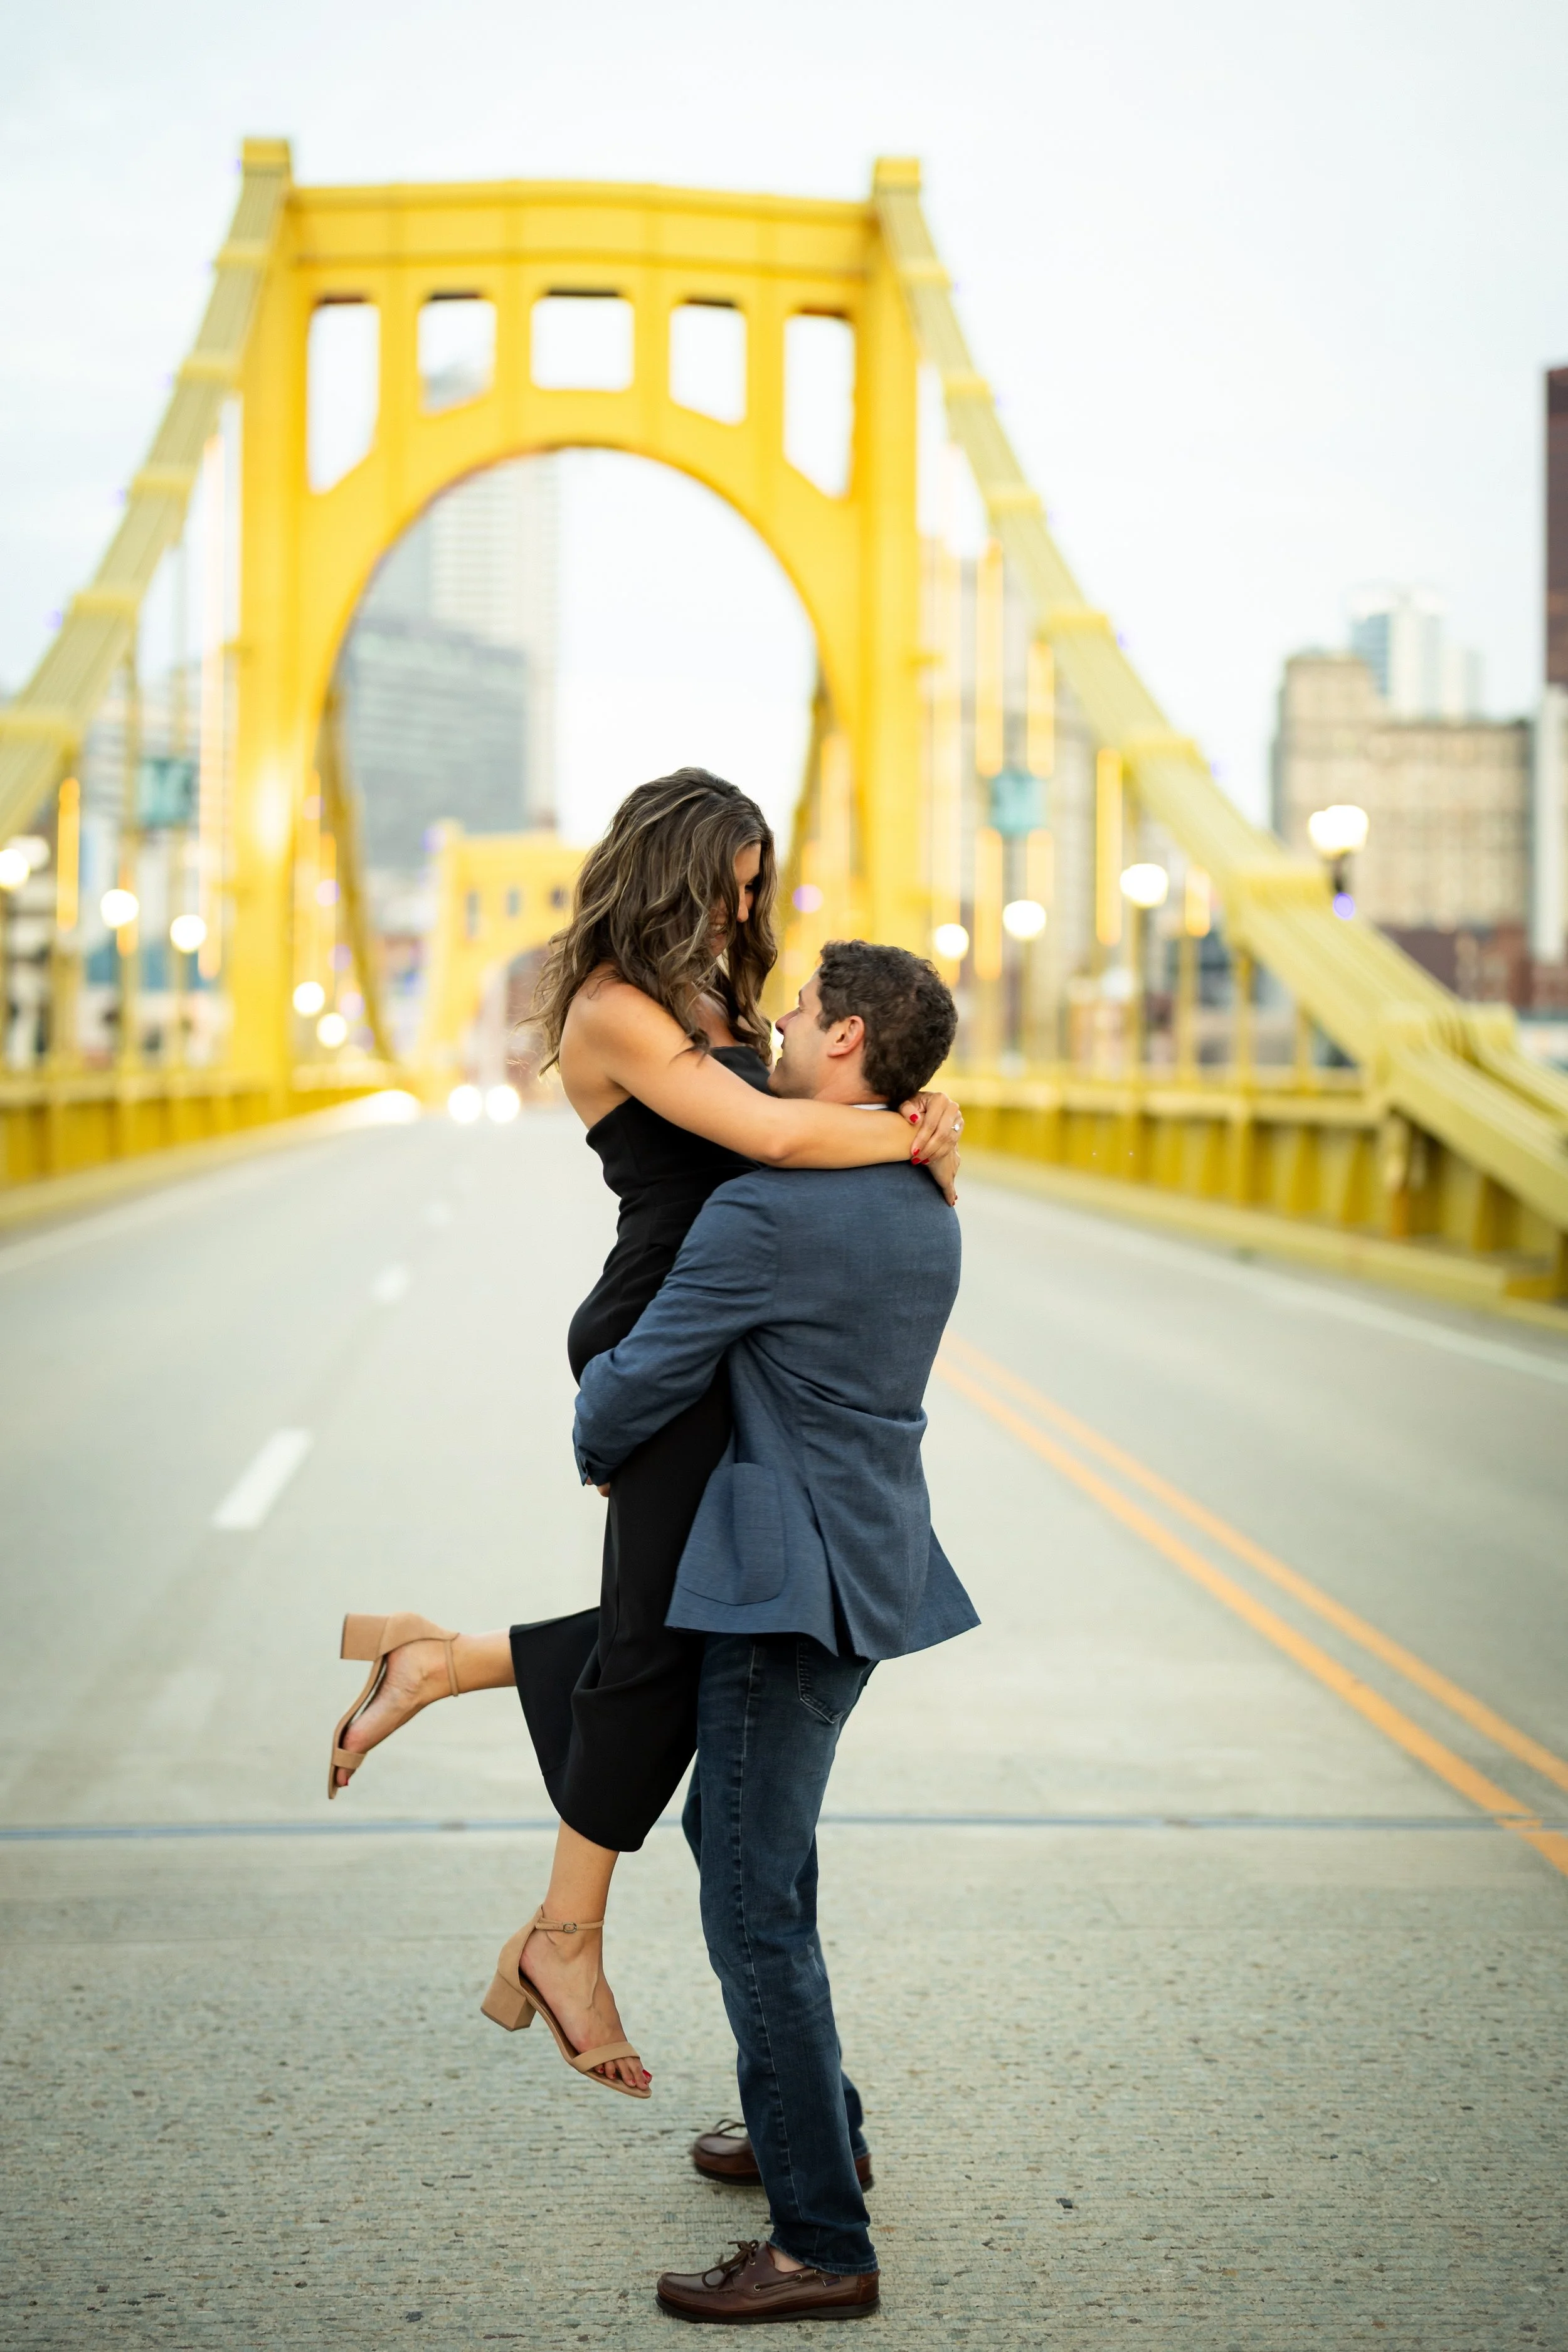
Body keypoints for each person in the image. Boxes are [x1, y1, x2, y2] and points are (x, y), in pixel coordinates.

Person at [326, 770, 961, 2096]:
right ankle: (566, 1938)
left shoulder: (718, 1003)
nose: (748, 911)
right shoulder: (612, 1010)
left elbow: (803, 1110)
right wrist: (908, 1133)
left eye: (755, 889)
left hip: (726, 1329)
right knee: (663, 1649)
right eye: (731, 885)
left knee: (668, 1630)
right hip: (657, 1337)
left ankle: (438, 1663)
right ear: (674, 869)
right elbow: (779, 1138)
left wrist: (910, 1122)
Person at [569, 938, 977, 2322]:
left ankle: (818, 2242)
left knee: (749, 1900)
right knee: (755, 1858)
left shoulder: (763, 1215)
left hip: (776, 1585)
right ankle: (816, 2127)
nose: (781, 1027)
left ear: (850, 1041)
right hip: (868, 1567)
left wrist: (590, 1423)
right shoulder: (927, 1193)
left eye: (802, 1012)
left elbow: (637, 1383)